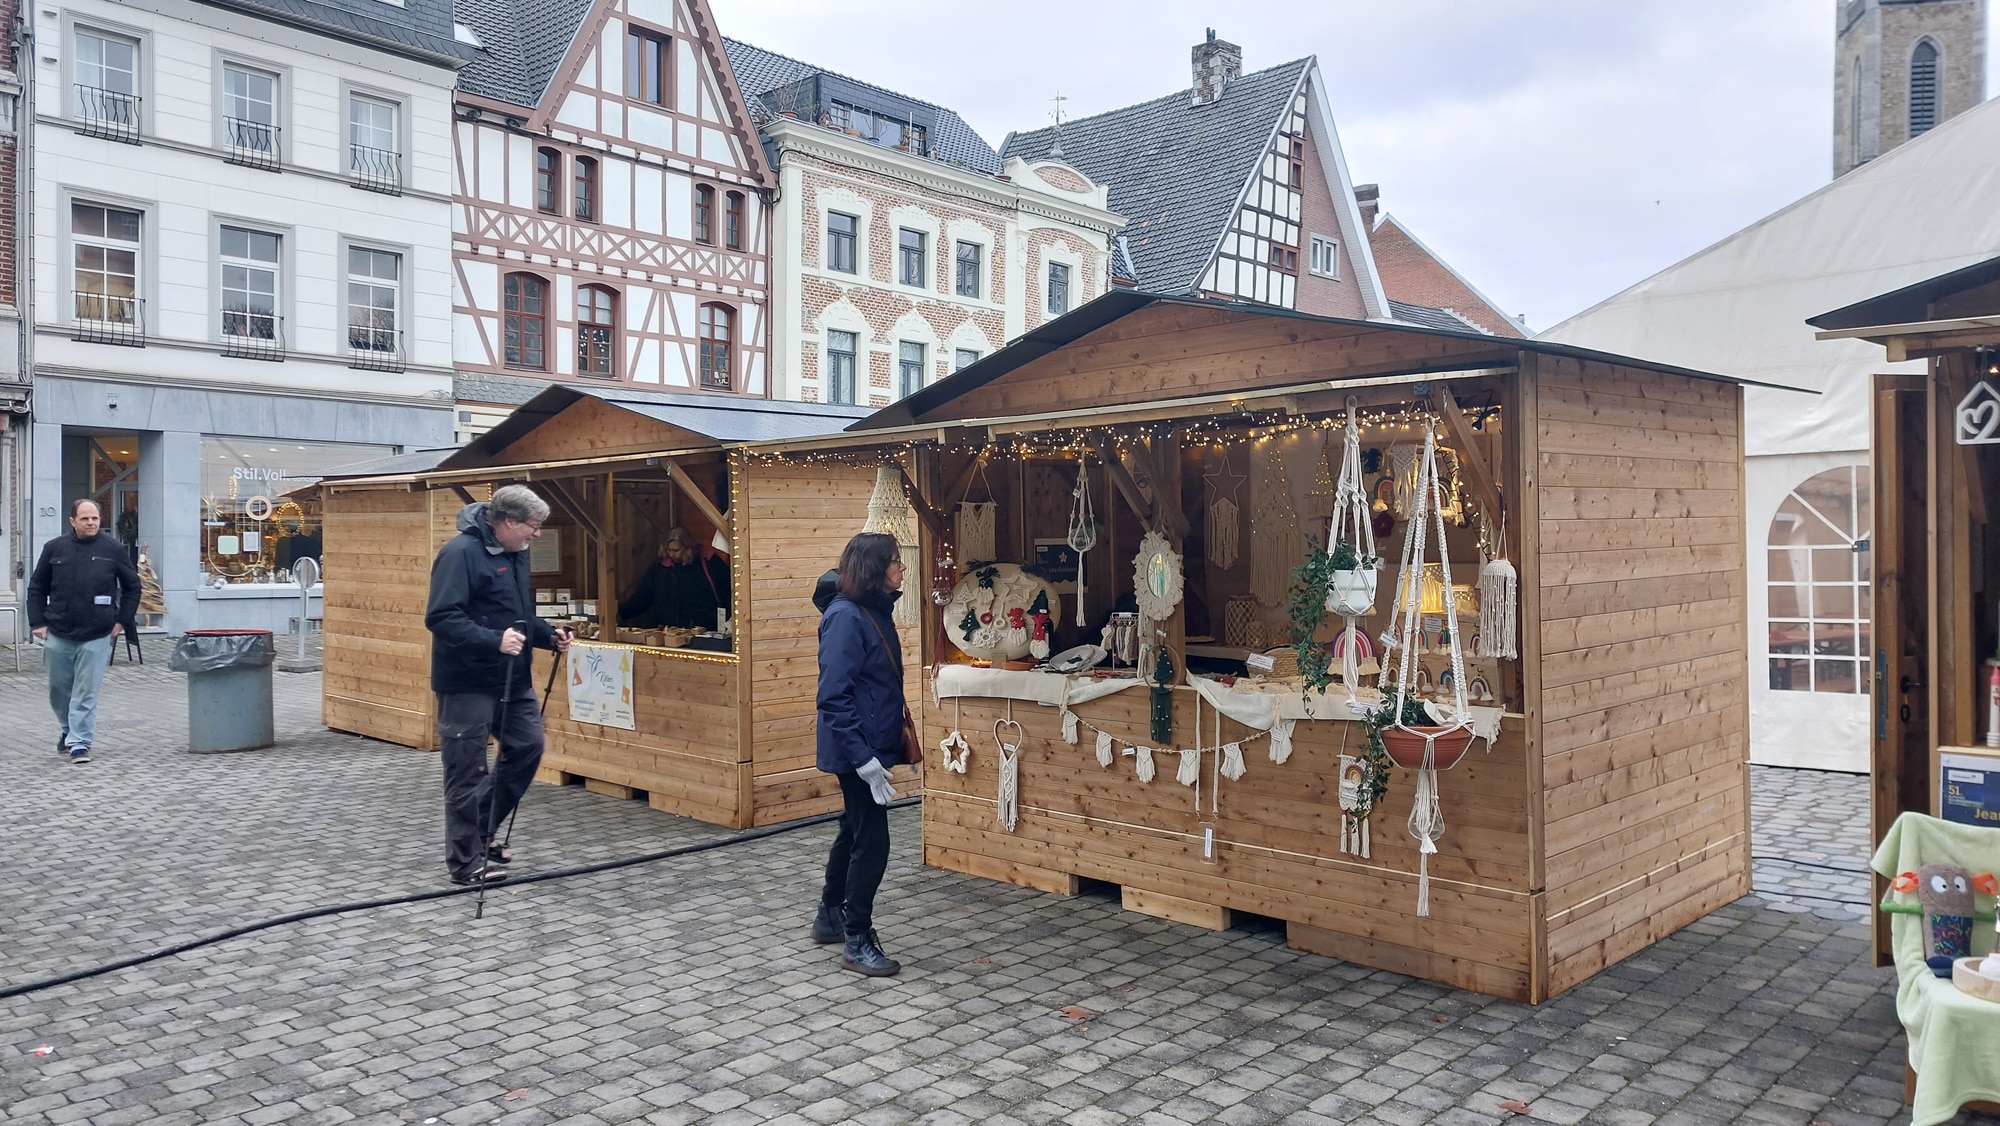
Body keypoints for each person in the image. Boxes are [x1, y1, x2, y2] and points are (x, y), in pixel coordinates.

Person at [425, 484, 572, 886]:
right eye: (533, 526)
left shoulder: (514, 554)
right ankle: (465, 862)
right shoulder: (460, 554)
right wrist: (493, 640)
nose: (536, 534)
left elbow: (520, 614)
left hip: (513, 678)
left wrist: (548, 635)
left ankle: (481, 834)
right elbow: (441, 617)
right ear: (508, 522)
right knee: (467, 771)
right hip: (467, 682)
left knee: (528, 747)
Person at [812, 532, 908, 977]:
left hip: (867, 743)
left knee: (853, 829)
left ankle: (830, 914)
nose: (901, 568)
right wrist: (864, 759)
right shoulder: (846, 617)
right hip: (857, 748)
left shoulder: (871, 610)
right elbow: (833, 695)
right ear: (873, 569)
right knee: (873, 841)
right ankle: (856, 938)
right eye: (894, 562)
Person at [26, 499, 139, 765]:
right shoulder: (54, 548)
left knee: (86, 691)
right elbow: (37, 588)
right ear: (72, 520)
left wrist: (122, 620)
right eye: (85, 518)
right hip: (58, 631)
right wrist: (37, 622)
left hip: (98, 632)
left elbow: (133, 586)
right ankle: (67, 729)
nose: (91, 523)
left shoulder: (112, 549)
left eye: (95, 519)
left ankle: (80, 743)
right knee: (59, 689)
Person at [617, 527, 730, 630]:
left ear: (687, 547)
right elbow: (642, 596)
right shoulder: (659, 567)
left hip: (704, 628)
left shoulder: (708, 561)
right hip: (669, 629)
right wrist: (619, 613)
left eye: (676, 550)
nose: (672, 554)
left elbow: (729, 587)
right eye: (668, 550)